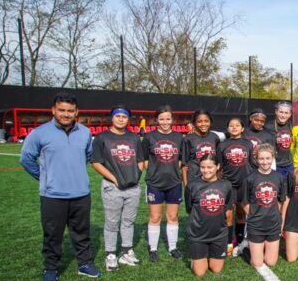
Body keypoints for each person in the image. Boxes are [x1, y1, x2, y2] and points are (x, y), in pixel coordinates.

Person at [20, 92, 100, 281]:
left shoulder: (84, 132)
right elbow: (26, 159)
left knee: (81, 232)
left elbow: (89, 156)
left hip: (81, 193)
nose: (66, 114)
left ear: (76, 112)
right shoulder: (40, 133)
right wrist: (46, 177)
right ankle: (51, 268)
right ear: (53, 110)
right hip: (52, 195)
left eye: (70, 111)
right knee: (52, 235)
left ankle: (84, 263)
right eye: (62, 110)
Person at [91, 105, 145, 271]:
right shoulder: (102, 137)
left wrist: (135, 176)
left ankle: (127, 252)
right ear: (112, 118)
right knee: (112, 222)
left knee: (129, 221)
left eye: (124, 116)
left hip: (132, 186)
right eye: (118, 116)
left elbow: (141, 161)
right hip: (112, 187)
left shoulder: (134, 138)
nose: (121, 119)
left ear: (128, 119)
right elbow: (96, 163)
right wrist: (114, 179)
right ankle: (110, 254)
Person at [142, 105, 184, 262]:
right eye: (161, 119)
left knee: (173, 216)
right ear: (156, 120)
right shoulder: (149, 137)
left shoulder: (179, 138)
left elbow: (181, 160)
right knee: (155, 217)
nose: (165, 122)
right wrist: (155, 172)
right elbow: (145, 160)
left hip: (174, 182)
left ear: (172, 120)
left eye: (168, 118)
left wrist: (171, 171)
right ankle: (153, 249)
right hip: (155, 183)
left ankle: (173, 247)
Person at [179, 109, 221, 259]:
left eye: (206, 121)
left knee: (211, 211)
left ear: (210, 122)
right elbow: (184, 165)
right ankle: (196, 248)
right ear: (194, 123)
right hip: (194, 181)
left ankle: (212, 243)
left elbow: (218, 161)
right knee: (195, 215)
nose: (203, 124)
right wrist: (186, 186)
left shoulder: (215, 137)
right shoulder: (188, 139)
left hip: (211, 181)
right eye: (200, 121)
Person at [184, 153, 234, 276]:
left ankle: (208, 255)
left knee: (216, 269)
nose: (206, 171)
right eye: (203, 167)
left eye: (209, 167)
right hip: (198, 235)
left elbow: (228, 213)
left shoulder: (226, 185)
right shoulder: (192, 185)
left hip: (219, 235)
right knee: (200, 273)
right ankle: (196, 259)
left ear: (218, 166)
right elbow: (189, 209)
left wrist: (229, 242)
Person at [243, 143, 287, 268]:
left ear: (272, 158)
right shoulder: (250, 178)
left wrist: (274, 215)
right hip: (256, 224)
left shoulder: (278, 177)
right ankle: (248, 249)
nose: (265, 162)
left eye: (268, 158)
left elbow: (280, 200)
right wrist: (254, 215)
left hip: (273, 223)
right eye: (261, 158)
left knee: (271, 262)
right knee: (257, 263)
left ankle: (258, 248)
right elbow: (245, 203)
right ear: (256, 159)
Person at [217, 117, 254, 257]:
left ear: (242, 128)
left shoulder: (248, 144)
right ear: (227, 128)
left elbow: (251, 163)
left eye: (237, 125)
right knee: (228, 214)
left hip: (244, 183)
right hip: (228, 184)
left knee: (241, 212)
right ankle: (228, 243)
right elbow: (219, 166)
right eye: (231, 125)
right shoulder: (222, 145)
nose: (234, 127)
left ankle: (239, 241)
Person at [267, 101, 294, 177]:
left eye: (286, 113)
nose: (283, 115)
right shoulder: (268, 127)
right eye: (281, 112)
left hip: (289, 165)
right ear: (276, 111)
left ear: (290, 114)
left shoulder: (291, 126)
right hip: (276, 165)